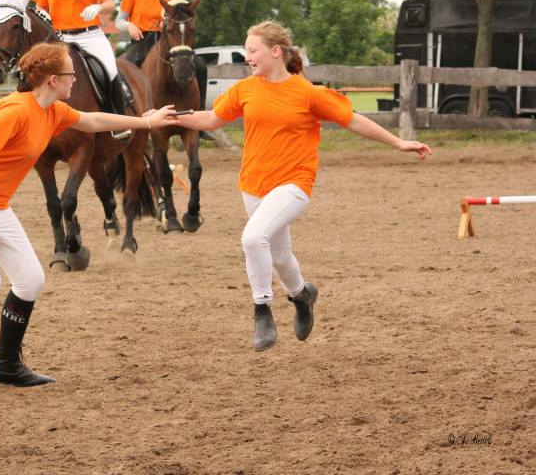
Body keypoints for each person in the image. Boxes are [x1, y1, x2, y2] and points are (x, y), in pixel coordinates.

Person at [0, 42, 179, 392]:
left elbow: (93, 121)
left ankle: (7, 364)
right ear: (51, 80)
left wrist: (145, 121)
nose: (75, 79)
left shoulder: (53, 111)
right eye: (70, 74)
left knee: (30, 280)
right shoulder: (15, 110)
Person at [173, 20, 432, 352]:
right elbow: (211, 119)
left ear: (275, 52)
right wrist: (171, 117)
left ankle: (262, 309)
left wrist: (399, 143)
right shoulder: (245, 89)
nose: (247, 57)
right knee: (280, 256)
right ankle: (302, 295)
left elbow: (353, 120)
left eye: (252, 51)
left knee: (252, 238)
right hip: (253, 183)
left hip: (293, 183)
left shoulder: (308, 93)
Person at [32, 0, 129, 139]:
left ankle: (119, 121)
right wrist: (43, 15)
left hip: (90, 36)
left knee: (110, 69)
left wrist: (98, 7)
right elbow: (39, 7)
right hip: (59, 38)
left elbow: (110, 4)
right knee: (37, 73)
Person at [117, 0, 213, 132]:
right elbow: (118, 21)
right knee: (124, 69)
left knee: (199, 66)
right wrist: (129, 26)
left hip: (168, 39)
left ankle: (200, 121)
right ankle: (125, 120)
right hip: (141, 39)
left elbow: (179, 18)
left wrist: (168, 24)